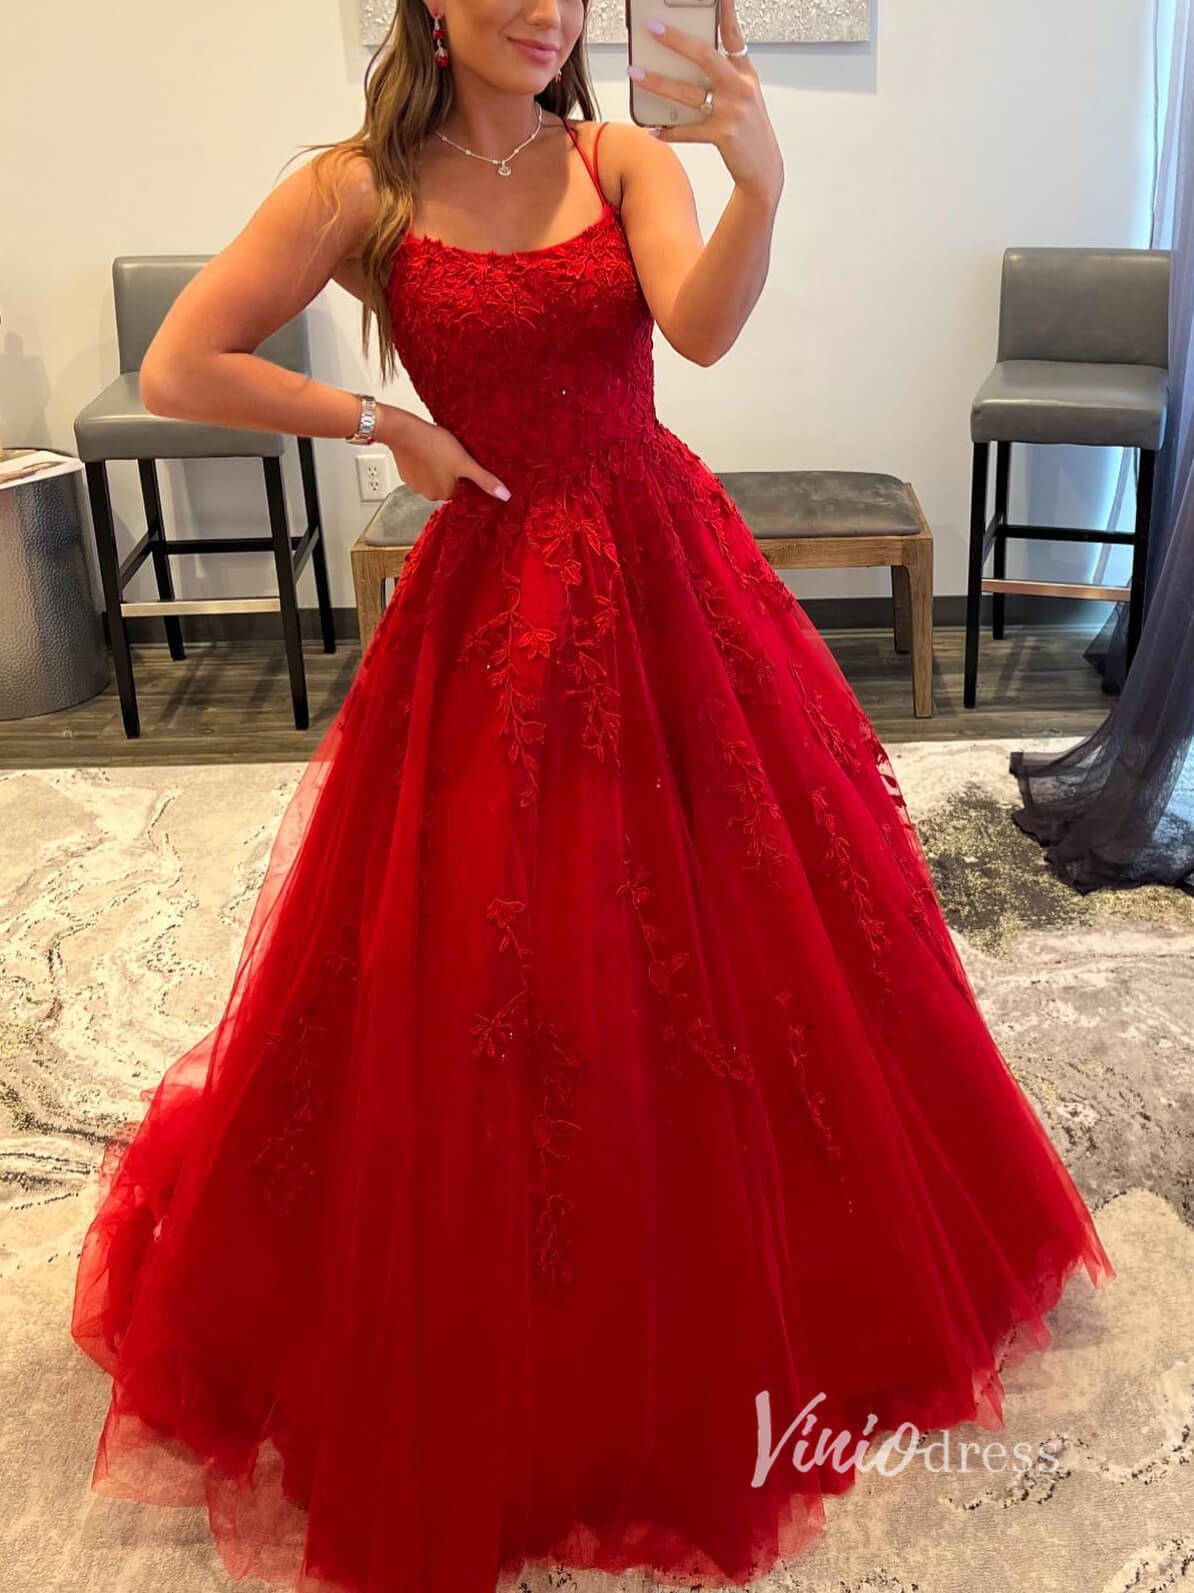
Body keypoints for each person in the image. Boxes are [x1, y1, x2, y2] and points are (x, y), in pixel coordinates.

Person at [70, 0, 1116, 1587]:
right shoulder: (361, 186)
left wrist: (761, 181)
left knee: (734, 921)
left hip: (658, 572)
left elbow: (698, 330)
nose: (540, 7)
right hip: (493, 596)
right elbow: (181, 360)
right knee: (493, 945)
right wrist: (382, 423)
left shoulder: (622, 156)